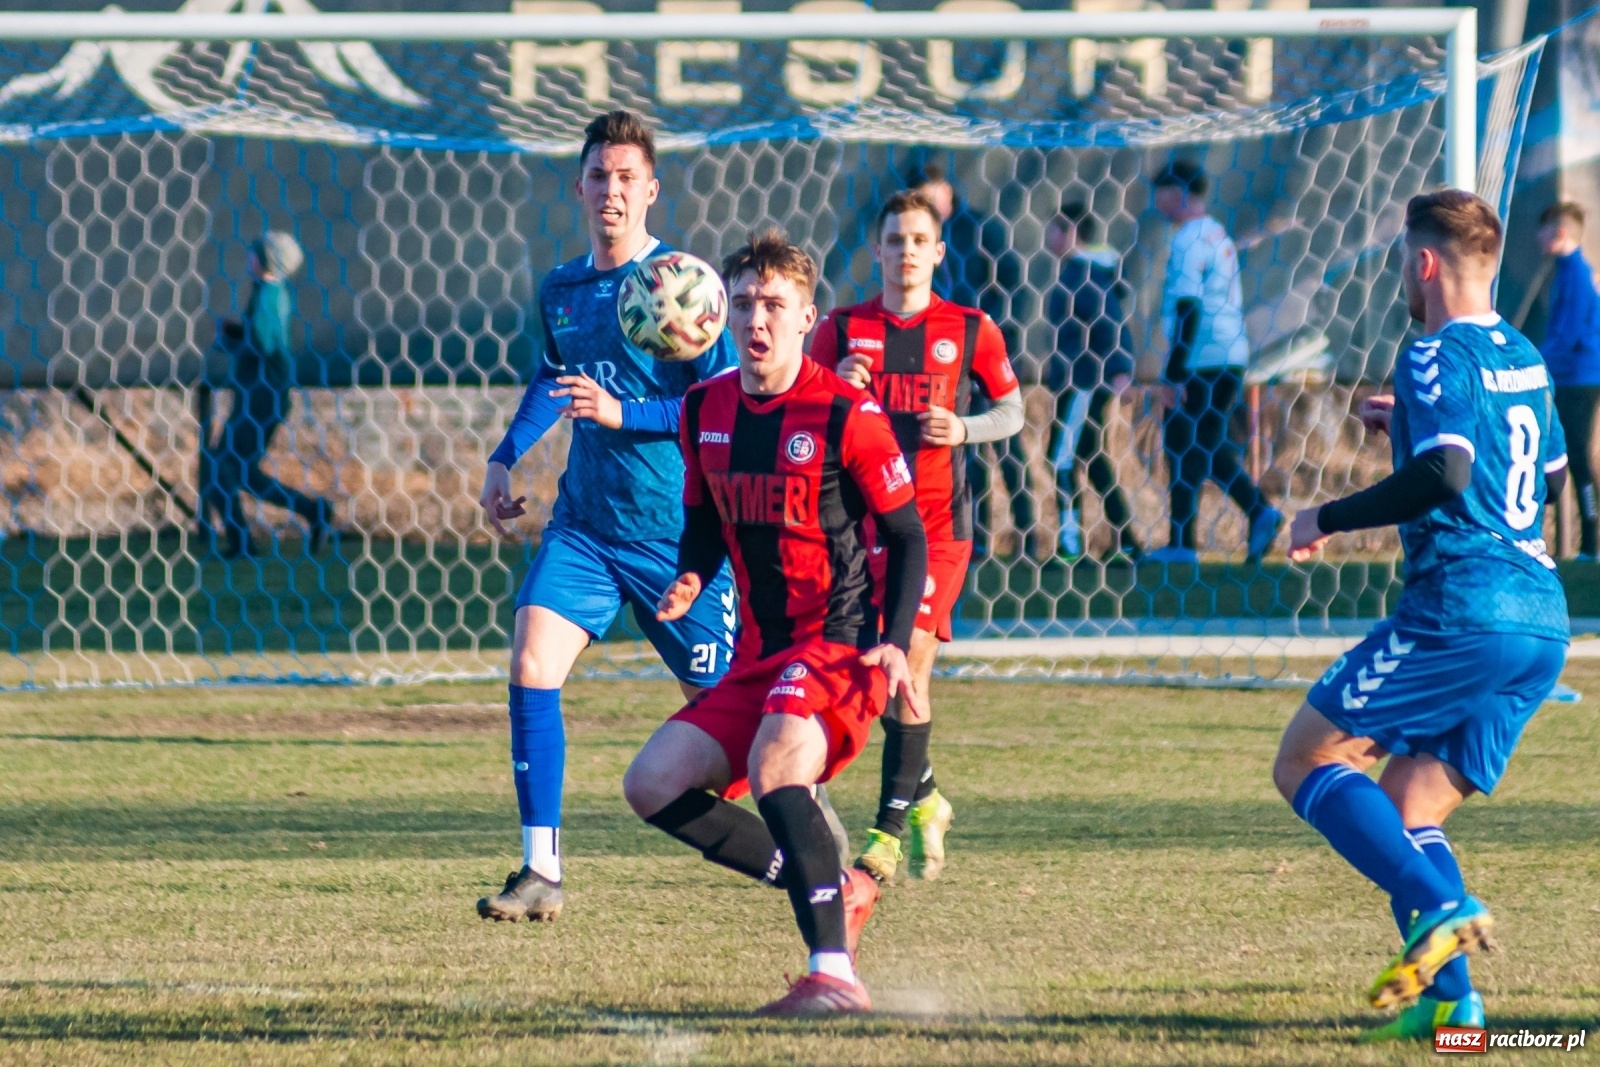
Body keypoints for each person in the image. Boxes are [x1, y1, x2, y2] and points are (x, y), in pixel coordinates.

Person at [1278, 189, 1569, 1043]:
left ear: (1425, 262)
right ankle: (1454, 1006)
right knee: (1410, 805)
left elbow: (1446, 474)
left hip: (1462, 609)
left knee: (1307, 759)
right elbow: (1550, 480)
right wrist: (1406, 425)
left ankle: (1442, 905)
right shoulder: (1524, 353)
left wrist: (1324, 516)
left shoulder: (1431, 350)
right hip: (1540, 622)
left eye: (1405, 262)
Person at [621, 229, 929, 1016]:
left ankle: (835, 975)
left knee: (776, 763)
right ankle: (829, 884)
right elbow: (702, 521)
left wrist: (896, 642)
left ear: (805, 318)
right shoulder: (704, 409)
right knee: (651, 782)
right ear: (722, 314)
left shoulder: (846, 413)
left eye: (774, 305)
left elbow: (907, 534)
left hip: (840, 647)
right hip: (758, 656)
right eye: (744, 303)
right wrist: (692, 574)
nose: (757, 319)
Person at [474, 110, 739, 924]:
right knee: (531, 660)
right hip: (586, 527)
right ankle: (540, 868)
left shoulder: (686, 289)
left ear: (651, 190)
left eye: (627, 177)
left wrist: (626, 413)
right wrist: (504, 456)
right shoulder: (563, 290)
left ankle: (805, 816)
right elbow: (554, 377)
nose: (612, 190)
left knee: (734, 719)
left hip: (679, 536)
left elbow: (721, 409)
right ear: (580, 187)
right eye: (599, 175)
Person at [811, 189, 1023, 884]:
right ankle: (926, 794)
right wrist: (833, 385)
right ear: (876, 250)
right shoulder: (843, 328)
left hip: (935, 526)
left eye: (918, 241)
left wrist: (963, 428)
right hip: (860, 523)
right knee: (870, 669)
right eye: (895, 240)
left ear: (938, 252)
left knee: (908, 662)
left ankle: (886, 836)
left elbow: (1013, 411)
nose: (906, 252)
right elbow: (801, 407)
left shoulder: (970, 328)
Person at [1149, 160, 1282, 565]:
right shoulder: (1217, 233)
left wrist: (1173, 375)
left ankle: (1248, 515)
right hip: (1228, 356)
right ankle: (1190, 539)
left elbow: (1188, 307)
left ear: (1180, 193)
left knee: (1189, 445)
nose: (1157, 202)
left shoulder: (1188, 238)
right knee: (1196, 445)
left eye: (1161, 193)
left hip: (1201, 360)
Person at [202, 231, 330, 558]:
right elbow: (261, 337)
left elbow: (262, 345)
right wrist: (236, 331)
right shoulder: (270, 292)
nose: (250, 257)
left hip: (261, 397)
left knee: (218, 468)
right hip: (262, 396)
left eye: (255, 253)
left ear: (266, 259)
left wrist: (228, 340)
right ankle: (313, 511)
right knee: (243, 473)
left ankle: (241, 543)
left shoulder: (267, 296)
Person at [1043, 200, 1142, 562]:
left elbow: (1110, 323)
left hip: (1083, 382)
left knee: (1061, 456)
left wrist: (1119, 371)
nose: (1048, 237)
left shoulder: (1085, 274)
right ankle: (1127, 542)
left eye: (1053, 229)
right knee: (1092, 457)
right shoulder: (1081, 272)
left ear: (1070, 232)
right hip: (1076, 380)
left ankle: (1070, 546)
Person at [1536, 201, 1600, 560]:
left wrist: (1534, 362)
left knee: (1577, 456)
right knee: (1569, 455)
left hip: (1579, 379)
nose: (1537, 237)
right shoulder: (1565, 271)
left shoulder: (1576, 274)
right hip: (1569, 377)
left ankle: (1591, 541)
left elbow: (1569, 334)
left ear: (1559, 232)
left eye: (1543, 229)